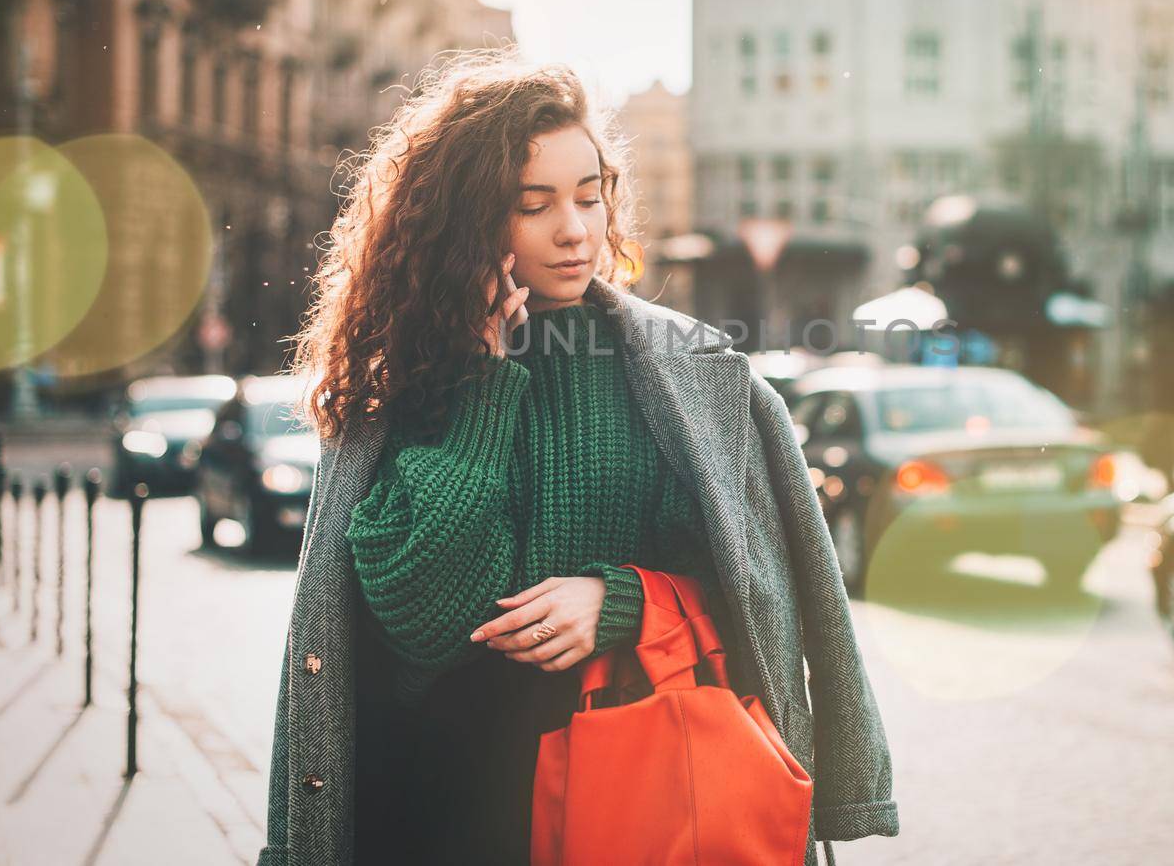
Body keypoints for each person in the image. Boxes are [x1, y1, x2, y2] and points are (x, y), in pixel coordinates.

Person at [257, 48, 898, 866]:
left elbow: (770, 588)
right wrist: (485, 382)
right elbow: (424, 618)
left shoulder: (694, 375)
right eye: (535, 205)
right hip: (444, 809)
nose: (575, 229)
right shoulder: (406, 382)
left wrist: (622, 601)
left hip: (648, 793)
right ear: (467, 223)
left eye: (590, 197)